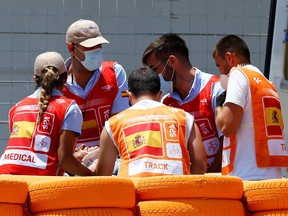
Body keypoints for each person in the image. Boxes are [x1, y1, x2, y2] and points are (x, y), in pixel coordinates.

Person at [95, 67, 207, 177]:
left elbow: (103, 175)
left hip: (134, 193)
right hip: (176, 192)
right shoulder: (184, 118)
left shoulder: (113, 124)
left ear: (129, 96)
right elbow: (200, 164)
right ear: (160, 94)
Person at [0, 51, 94, 176]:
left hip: (5, 179)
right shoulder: (69, 108)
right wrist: (94, 176)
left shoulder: (16, 108)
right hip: (41, 183)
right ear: (65, 78)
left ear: (35, 78)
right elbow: (65, 160)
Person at [142, 33, 224, 173]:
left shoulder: (215, 88)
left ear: (172, 61)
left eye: (154, 69)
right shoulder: (166, 101)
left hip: (218, 180)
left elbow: (227, 141)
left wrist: (209, 178)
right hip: (185, 183)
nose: (153, 76)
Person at [212, 34, 288, 180]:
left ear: (229, 58)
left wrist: (219, 105)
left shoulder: (238, 75)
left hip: (246, 176)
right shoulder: (266, 83)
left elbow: (227, 127)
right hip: (272, 176)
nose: (220, 72)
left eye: (219, 65)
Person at [63, 19, 129, 148]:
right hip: (68, 160)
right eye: (90, 47)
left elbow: (119, 124)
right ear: (71, 48)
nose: (97, 50)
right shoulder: (57, 82)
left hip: (107, 157)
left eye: (99, 45)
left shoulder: (115, 72)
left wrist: (99, 155)